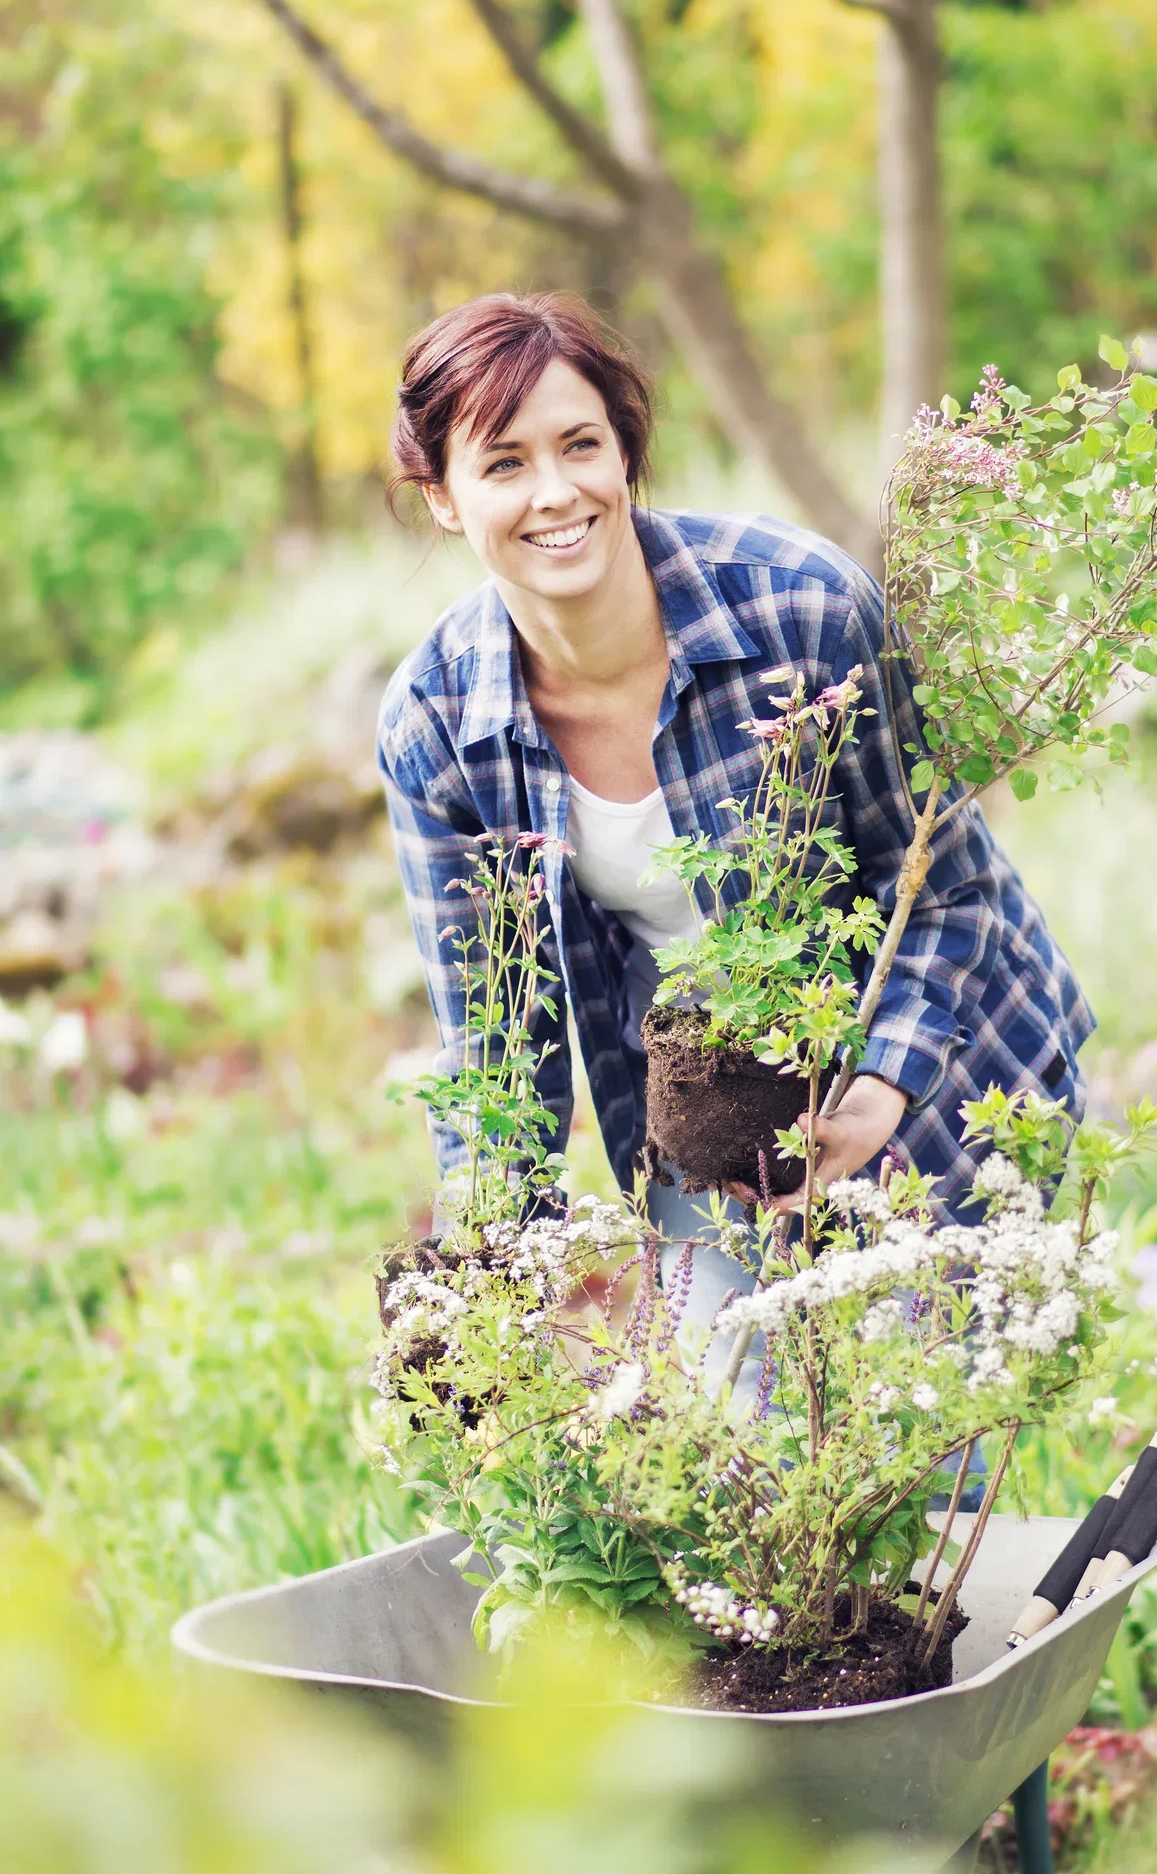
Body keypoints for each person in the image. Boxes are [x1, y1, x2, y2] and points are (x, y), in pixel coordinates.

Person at [377, 289, 1092, 1327]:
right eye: (502, 463)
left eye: (581, 444)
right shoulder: (439, 723)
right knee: (741, 1457)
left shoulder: (797, 609)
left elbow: (942, 887)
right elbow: (493, 1043)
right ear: (443, 495)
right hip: (713, 1122)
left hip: (940, 1071)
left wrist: (874, 1098)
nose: (555, 491)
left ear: (625, 451)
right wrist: (494, 1297)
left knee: (928, 1447)